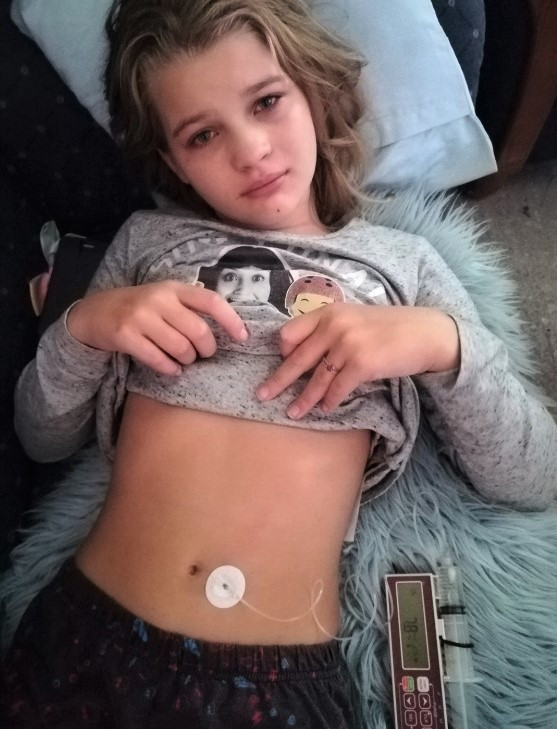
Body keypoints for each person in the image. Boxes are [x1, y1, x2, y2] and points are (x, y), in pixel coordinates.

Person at [2, 0, 556, 726]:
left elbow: (532, 476)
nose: (251, 150)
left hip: (275, 682)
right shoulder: (146, 243)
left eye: (266, 101)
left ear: (313, 93)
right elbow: (42, 437)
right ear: (173, 161)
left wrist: (442, 344)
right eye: (203, 134)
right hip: (83, 637)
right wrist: (85, 328)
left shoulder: (405, 263)